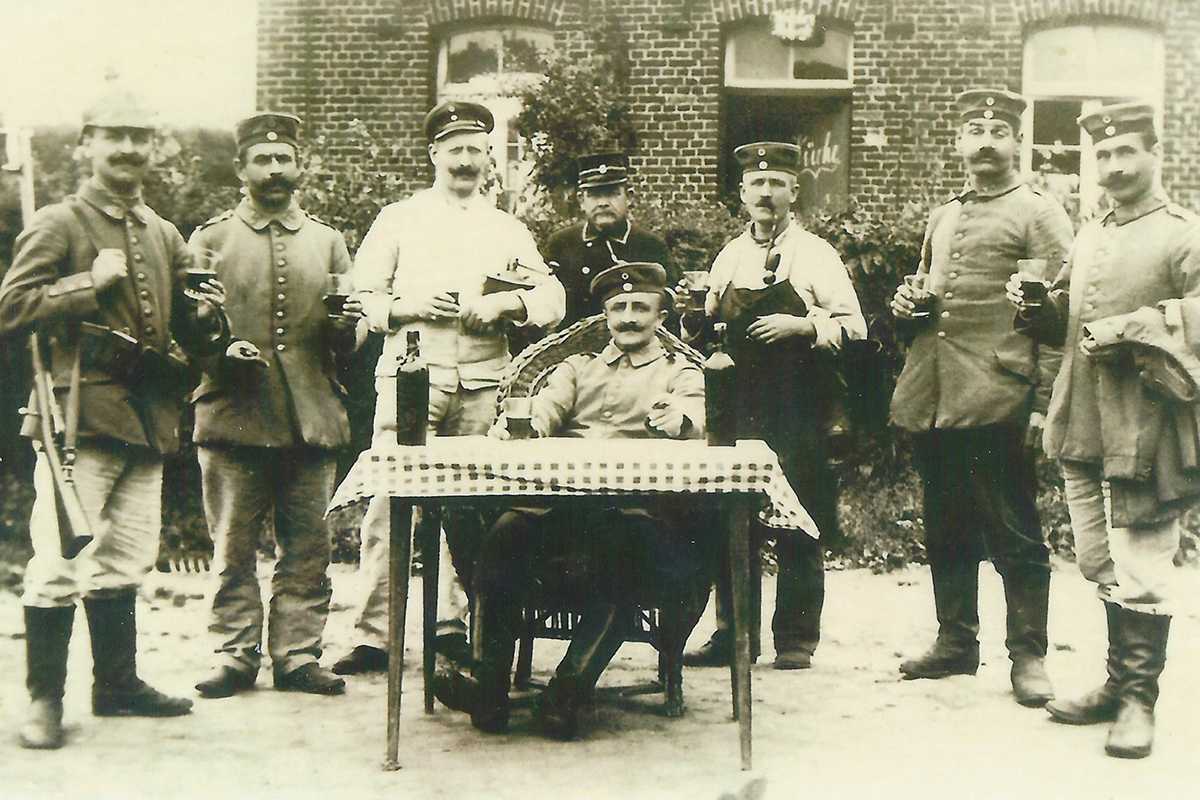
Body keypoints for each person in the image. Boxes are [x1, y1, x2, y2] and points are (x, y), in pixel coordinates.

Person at [0, 86, 230, 749]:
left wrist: (205, 314)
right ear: (86, 146)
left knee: (128, 557)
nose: (128, 147)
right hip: (80, 417)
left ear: (152, 148)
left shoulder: (162, 232)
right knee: (59, 559)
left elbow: (188, 320)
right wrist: (84, 285)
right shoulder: (59, 223)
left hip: (148, 415)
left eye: (139, 136)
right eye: (114, 135)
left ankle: (117, 684)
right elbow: (12, 310)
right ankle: (45, 701)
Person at [331, 100, 566, 678]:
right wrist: (410, 306)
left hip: (485, 384)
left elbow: (552, 301)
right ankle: (374, 635)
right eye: (455, 149)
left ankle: (455, 631)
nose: (466, 161)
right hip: (413, 377)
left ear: (490, 158)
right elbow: (360, 298)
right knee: (392, 507)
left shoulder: (505, 227)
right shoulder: (399, 219)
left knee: (473, 509)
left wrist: (504, 303)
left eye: (477, 150)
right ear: (434, 154)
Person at [443, 261, 707, 739]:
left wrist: (678, 419)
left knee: (622, 547)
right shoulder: (576, 368)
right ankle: (490, 691)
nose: (628, 318)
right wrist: (520, 427)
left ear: (660, 317)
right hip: (561, 512)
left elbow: (695, 412)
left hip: (637, 515)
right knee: (506, 532)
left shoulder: (677, 372)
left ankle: (565, 695)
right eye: (618, 308)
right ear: (605, 316)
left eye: (640, 308)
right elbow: (542, 411)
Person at [1008, 102, 1200, 758]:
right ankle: (1118, 685)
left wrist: (1130, 328)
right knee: (1098, 559)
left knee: (1144, 561)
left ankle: (1140, 702)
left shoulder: (1182, 233)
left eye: (1127, 153)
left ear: (1154, 154)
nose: (1114, 167)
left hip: (1148, 424)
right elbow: (1071, 308)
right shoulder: (1093, 231)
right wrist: (1039, 306)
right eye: (1104, 157)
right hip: (1082, 417)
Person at [889, 88, 1073, 707]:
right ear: (960, 142)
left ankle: (1028, 657)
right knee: (944, 524)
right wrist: (906, 306)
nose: (986, 141)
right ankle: (956, 642)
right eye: (974, 131)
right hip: (936, 390)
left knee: (1013, 529)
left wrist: (1043, 402)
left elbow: (1054, 319)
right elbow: (926, 293)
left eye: (998, 131)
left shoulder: (1039, 213)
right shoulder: (945, 214)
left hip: (999, 393)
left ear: (1017, 141)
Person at [189, 112, 362, 699]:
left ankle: (297, 654)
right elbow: (187, 330)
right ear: (241, 169)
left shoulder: (328, 240)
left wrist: (347, 327)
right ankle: (234, 655)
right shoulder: (210, 239)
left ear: (299, 166)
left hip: (311, 416)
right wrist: (218, 349)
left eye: (283, 159)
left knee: (308, 547)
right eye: (262, 160)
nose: (274, 171)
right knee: (232, 547)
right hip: (234, 415)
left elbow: (354, 334)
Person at [682, 141, 866, 671]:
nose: (766, 193)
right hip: (737, 404)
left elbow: (856, 328)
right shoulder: (729, 256)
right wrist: (698, 310)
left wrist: (804, 325)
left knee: (799, 517)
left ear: (793, 192)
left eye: (776, 184)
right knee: (730, 516)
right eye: (756, 185)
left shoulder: (817, 255)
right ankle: (733, 633)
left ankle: (796, 637)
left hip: (799, 403)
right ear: (742, 194)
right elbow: (708, 329)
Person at [543, 152, 675, 328]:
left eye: (612, 193)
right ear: (582, 200)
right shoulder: (561, 244)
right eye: (594, 195)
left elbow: (669, 307)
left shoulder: (650, 246)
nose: (603, 203)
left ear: (629, 197)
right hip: (572, 350)